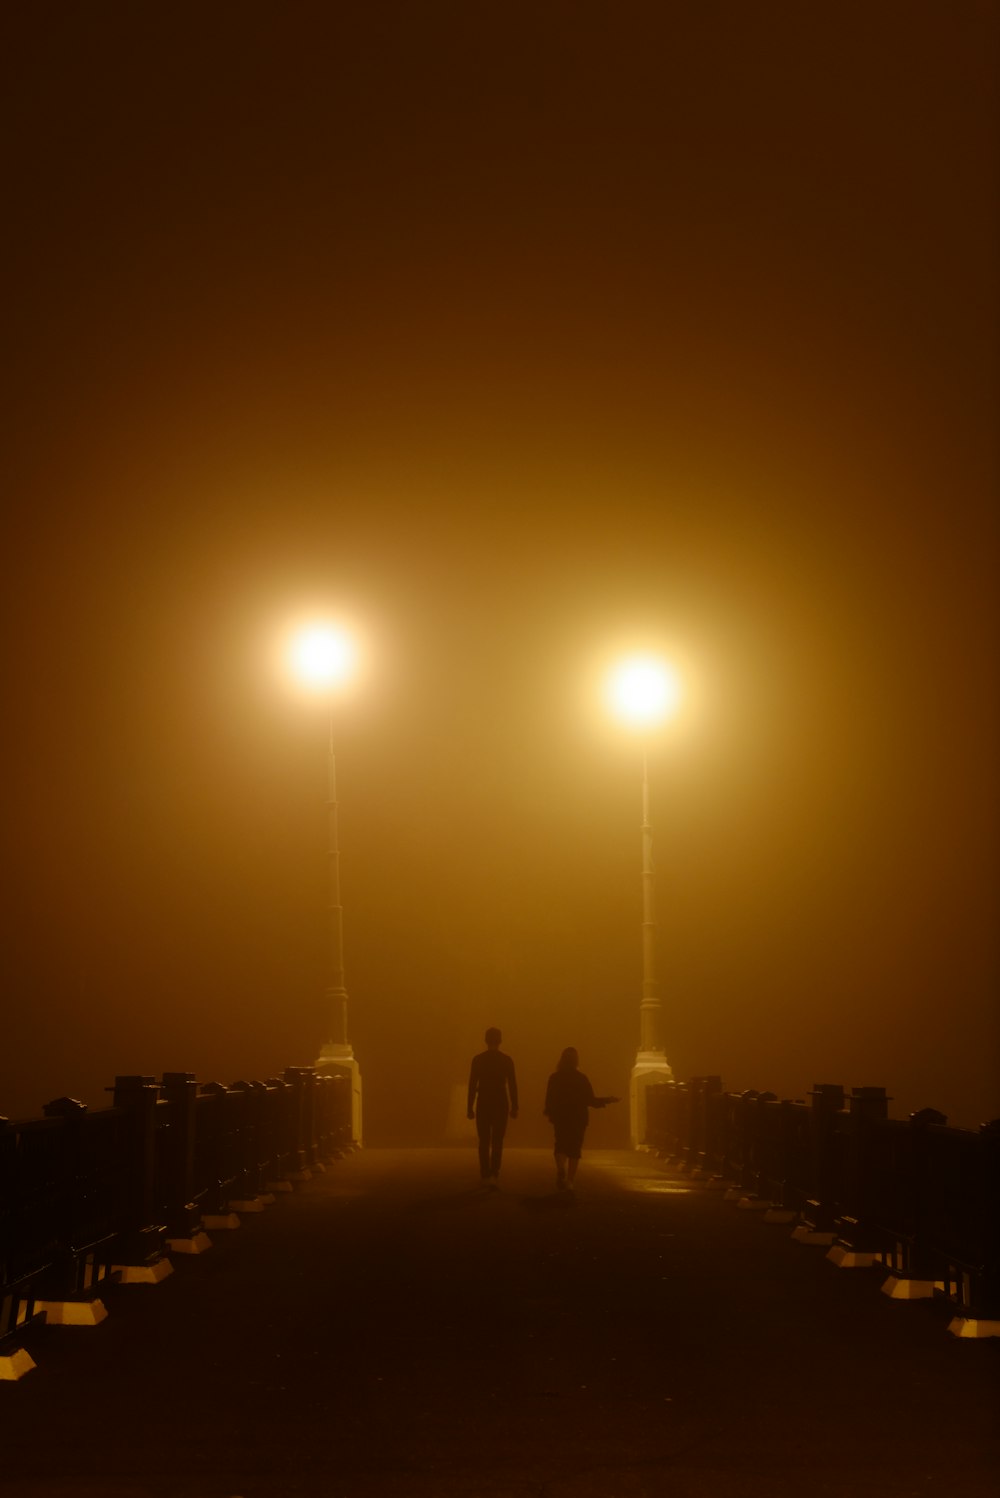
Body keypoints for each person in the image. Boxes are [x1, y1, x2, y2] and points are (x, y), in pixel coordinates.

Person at [543, 1047, 619, 1193]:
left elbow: (549, 1099)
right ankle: (570, 1181)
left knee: (560, 1144)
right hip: (578, 1117)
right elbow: (590, 1100)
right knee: (575, 1149)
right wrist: (608, 1100)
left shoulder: (554, 1078)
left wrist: (550, 1113)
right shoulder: (581, 1078)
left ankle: (560, 1169)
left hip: (561, 1116)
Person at [467, 1027, 518, 1187]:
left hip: (484, 1102)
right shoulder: (507, 1060)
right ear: (500, 1040)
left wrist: (469, 1107)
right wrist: (515, 1106)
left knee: (484, 1140)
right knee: (497, 1140)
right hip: (501, 1103)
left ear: (485, 1040)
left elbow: (472, 1084)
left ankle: (485, 1173)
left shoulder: (478, 1060)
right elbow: (512, 1085)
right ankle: (495, 1172)